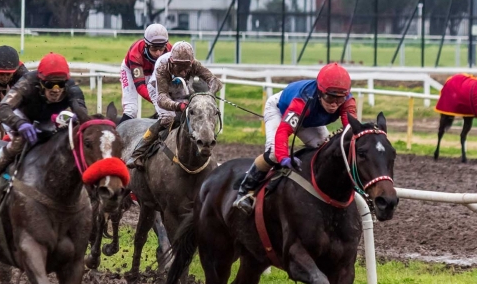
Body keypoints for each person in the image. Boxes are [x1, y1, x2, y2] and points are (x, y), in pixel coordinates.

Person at [233, 63, 358, 214]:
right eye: (329, 97)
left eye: (339, 99)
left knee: (326, 151)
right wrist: (284, 157)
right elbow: (283, 131)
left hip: (309, 120)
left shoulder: (347, 102)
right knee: (274, 153)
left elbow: (351, 132)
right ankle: (245, 190)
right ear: (319, 92)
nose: (334, 104)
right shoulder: (303, 100)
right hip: (280, 110)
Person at [0, 52, 87, 203]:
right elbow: (4, 108)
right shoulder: (27, 83)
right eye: (50, 84)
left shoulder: (72, 88)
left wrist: (79, 119)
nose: (56, 90)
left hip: (46, 117)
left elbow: (82, 114)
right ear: (41, 82)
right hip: (19, 115)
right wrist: (19, 123)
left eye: (60, 84)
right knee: (20, 141)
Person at [126, 41, 223, 169]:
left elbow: (215, 81)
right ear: (172, 62)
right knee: (168, 119)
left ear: (191, 62)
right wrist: (178, 106)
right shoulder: (162, 66)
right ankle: (138, 153)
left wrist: (209, 94)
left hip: (180, 86)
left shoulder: (194, 64)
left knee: (195, 112)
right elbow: (162, 98)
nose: (183, 72)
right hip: (159, 90)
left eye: (186, 67)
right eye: (179, 67)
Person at [119, 24, 171, 122]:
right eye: (154, 49)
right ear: (146, 45)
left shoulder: (171, 51)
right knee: (131, 110)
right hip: (130, 70)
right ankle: (118, 134)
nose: (159, 53)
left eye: (161, 48)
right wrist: (158, 101)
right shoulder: (135, 54)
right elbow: (140, 87)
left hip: (154, 71)